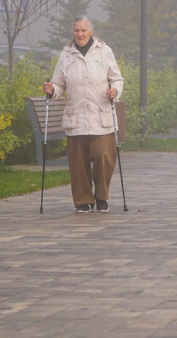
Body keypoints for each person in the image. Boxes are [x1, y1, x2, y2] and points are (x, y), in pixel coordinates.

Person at [43, 17, 123, 213]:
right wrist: (51, 89)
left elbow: (117, 79)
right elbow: (59, 84)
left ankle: (101, 195)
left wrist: (114, 91)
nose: (79, 34)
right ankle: (82, 201)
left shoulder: (104, 51)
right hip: (76, 116)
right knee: (78, 162)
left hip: (100, 114)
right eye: (76, 30)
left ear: (90, 31)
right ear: (73, 32)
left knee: (103, 156)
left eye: (83, 30)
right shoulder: (66, 55)